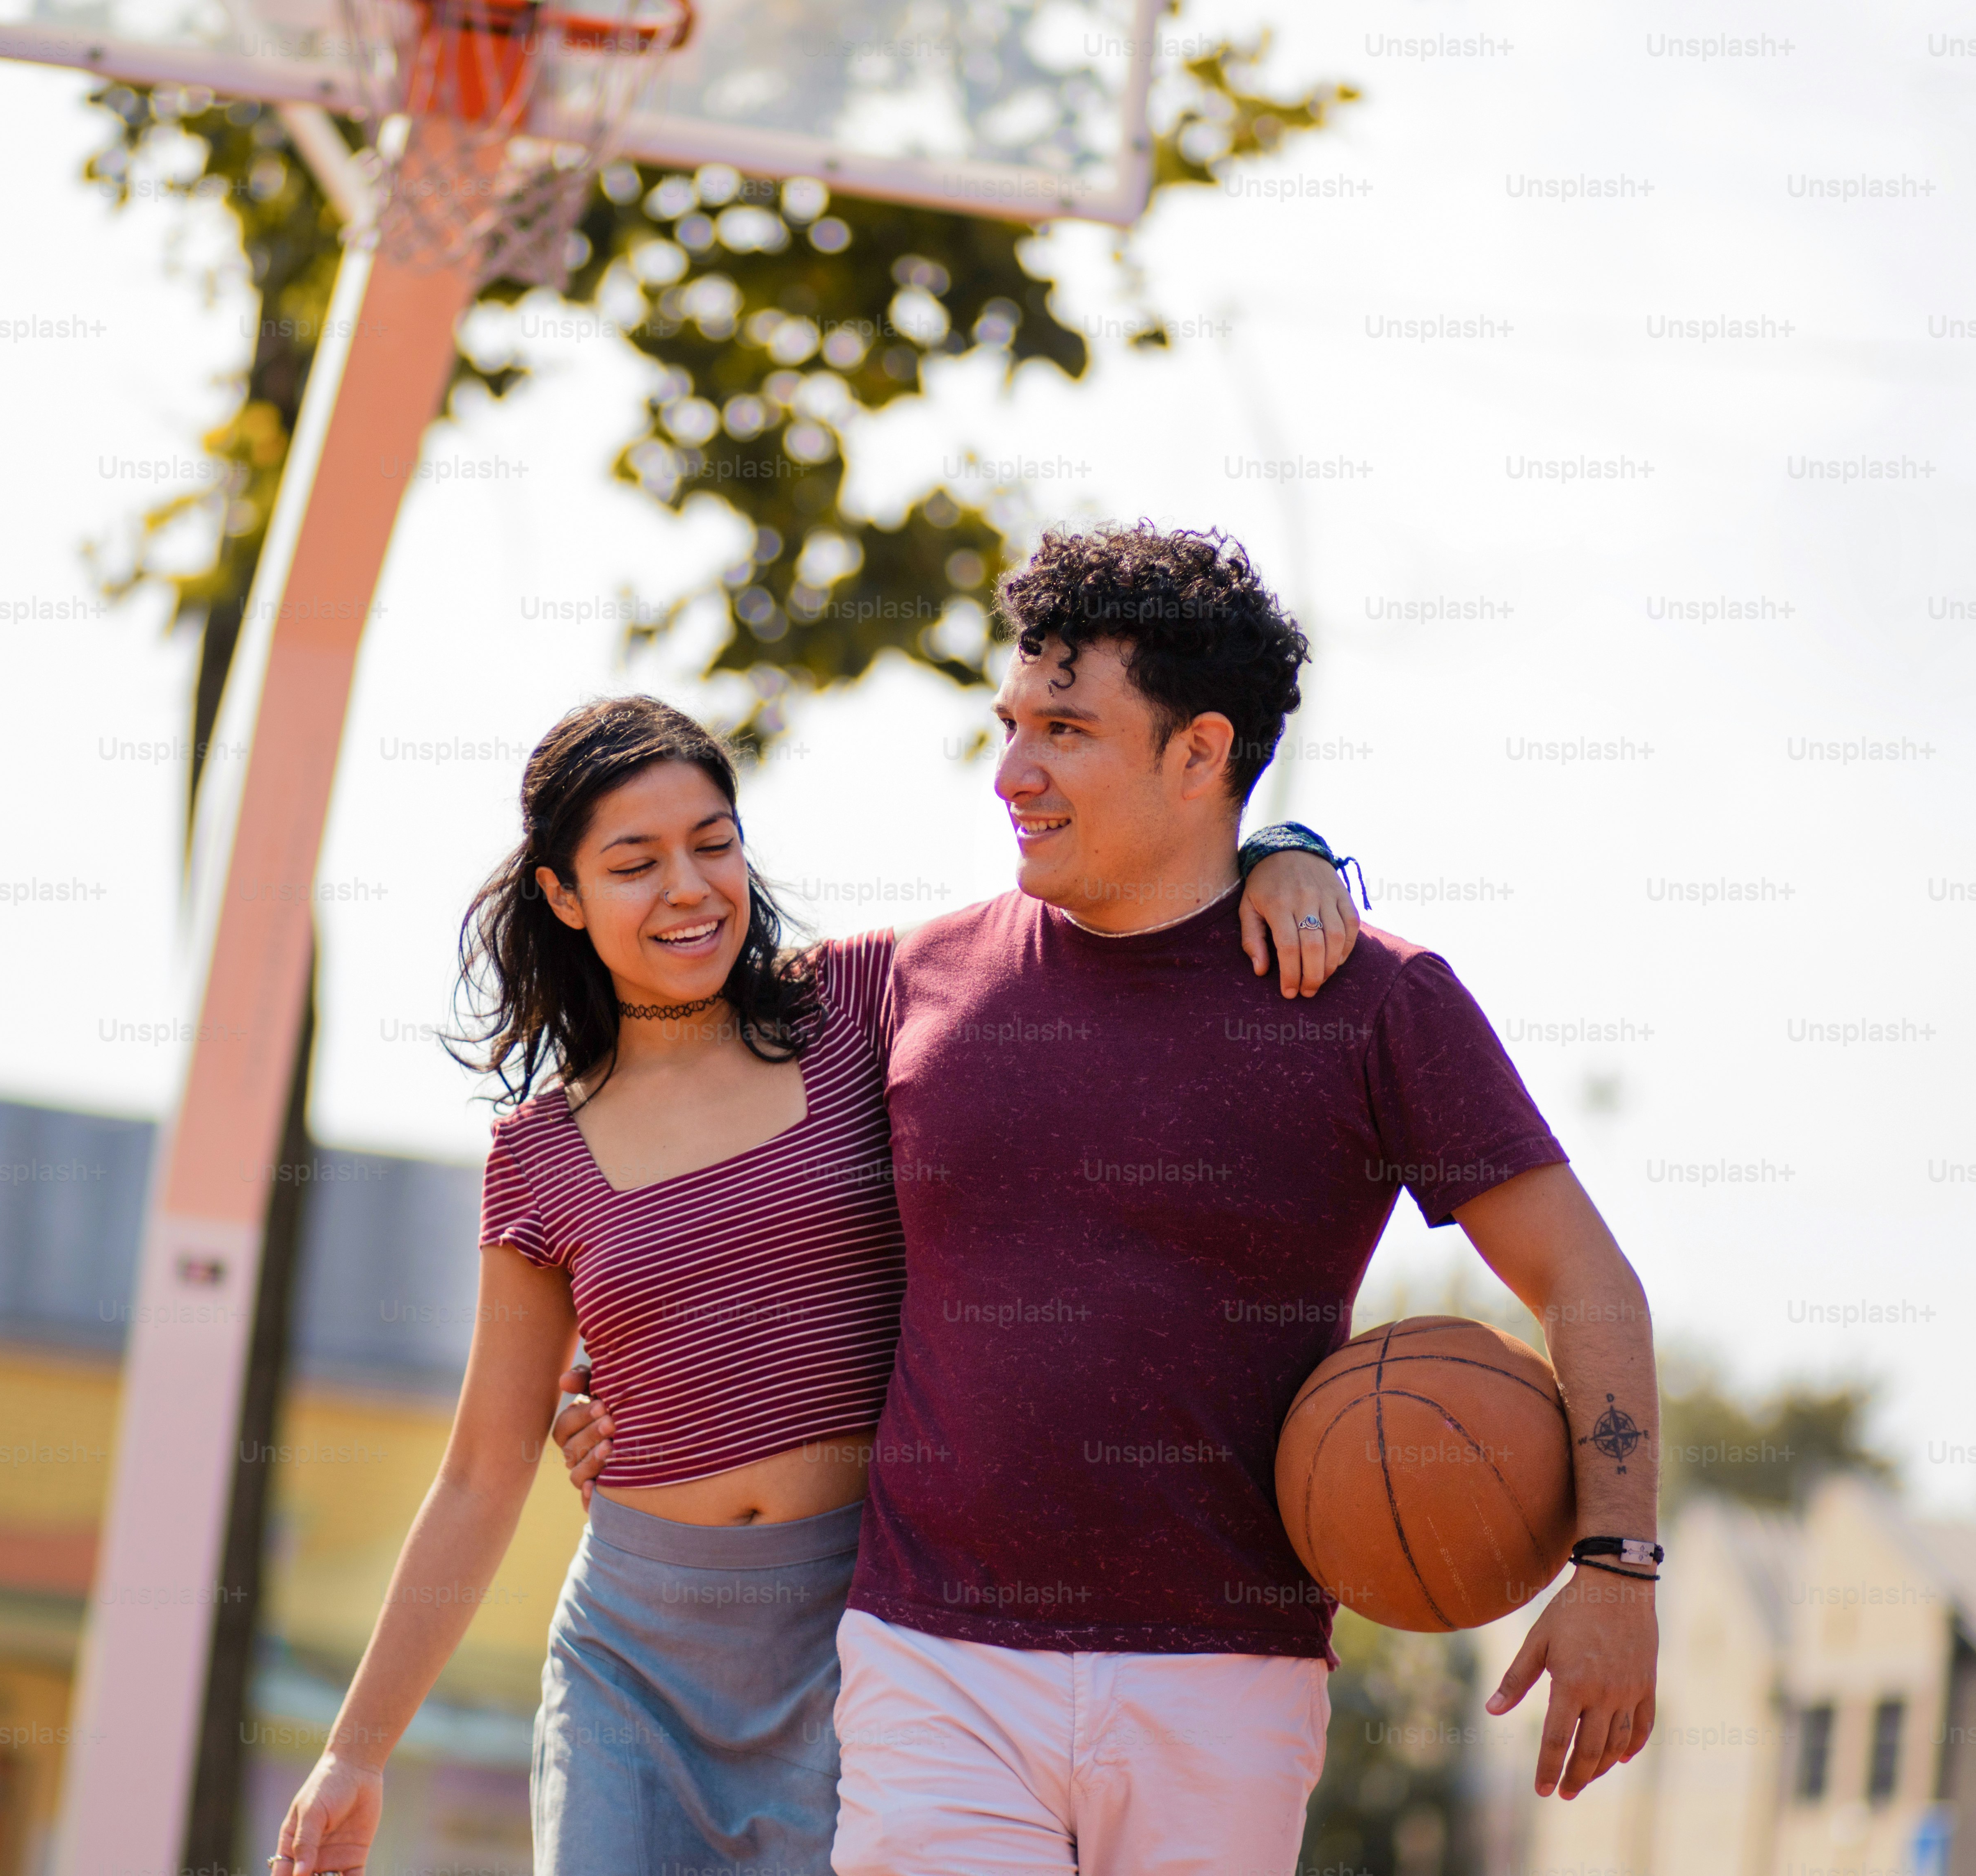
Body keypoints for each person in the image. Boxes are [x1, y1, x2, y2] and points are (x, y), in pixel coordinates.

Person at [556, 522, 1663, 1876]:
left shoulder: (1376, 1001)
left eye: (1065, 731)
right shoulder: (904, 981)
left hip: (1228, 1678)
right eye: (1009, 722)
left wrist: (1615, 1563)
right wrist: (624, 1346)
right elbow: (689, 1098)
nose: (1010, 773)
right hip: (930, 1658)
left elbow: (1585, 1281)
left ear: (1201, 754)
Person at [271, 692, 1362, 1876]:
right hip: (631, 1660)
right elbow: (481, 1473)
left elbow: (1091, 905)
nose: (688, 888)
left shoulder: (857, 1006)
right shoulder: (534, 1155)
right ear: (564, 897)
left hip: (862, 1638)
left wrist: (1281, 853)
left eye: (712, 842)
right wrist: (358, 1754)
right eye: (633, 864)